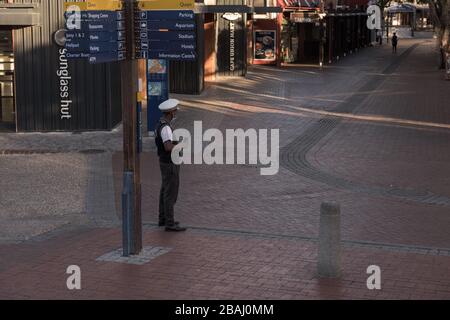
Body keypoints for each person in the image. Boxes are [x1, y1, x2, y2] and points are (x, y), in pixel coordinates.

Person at [155, 99, 186, 232]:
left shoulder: (160, 124)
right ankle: (170, 222)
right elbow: (168, 147)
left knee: (164, 190)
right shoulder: (166, 128)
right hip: (169, 163)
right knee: (170, 193)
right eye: (174, 111)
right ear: (170, 112)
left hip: (164, 161)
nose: (175, 113)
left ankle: (163, 218)